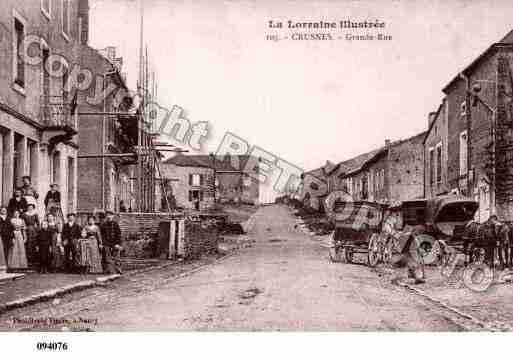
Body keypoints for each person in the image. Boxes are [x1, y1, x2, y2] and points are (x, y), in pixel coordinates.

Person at [383, 206, 425, 284]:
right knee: (411, 260)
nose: (397, 214)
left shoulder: (411, 230)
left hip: (406, 245)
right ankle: (415, 276)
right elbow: (389, 230)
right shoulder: (391, 220)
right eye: (396, 213)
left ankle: (416, 276)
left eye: (397, 212)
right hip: (403, 243)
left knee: (412, 260)